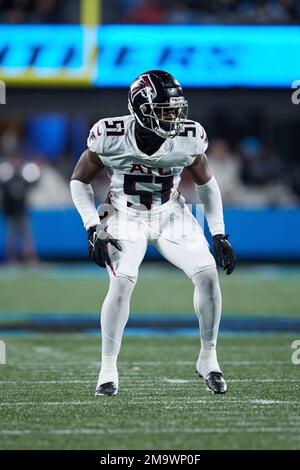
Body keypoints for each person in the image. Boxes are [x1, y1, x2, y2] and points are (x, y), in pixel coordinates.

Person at [70, 70, 236, 397]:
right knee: (122, 279)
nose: (174, 118)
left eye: (176, 109)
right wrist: (92, 226)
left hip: (171, 213)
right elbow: (79, 180)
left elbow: (206, 183)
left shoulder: (189, 136)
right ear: (142, 108)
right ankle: (107, 367)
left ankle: (208, 358)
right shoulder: (110, 134)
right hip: (123, 213)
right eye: (165, 110)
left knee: (207, 275)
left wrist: (219, 233)